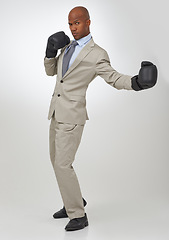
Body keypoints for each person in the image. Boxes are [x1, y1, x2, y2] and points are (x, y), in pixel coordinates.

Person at [44, 6, 157, 231]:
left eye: (77, 23)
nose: (73, 28)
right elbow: (52, 73)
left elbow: (113, 78)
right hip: (56, 112)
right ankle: (71, 202)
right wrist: (49, 52)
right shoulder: (66, 46)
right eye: (70, 24)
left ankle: (78, 214)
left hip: (73, 116)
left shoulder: (97, 54)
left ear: (88, 22)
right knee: (56, 162)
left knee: (63, 164)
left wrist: (136, 83)